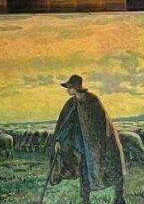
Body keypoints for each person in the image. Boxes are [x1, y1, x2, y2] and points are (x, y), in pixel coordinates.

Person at [47, 75, 126, 204]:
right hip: (81, 144)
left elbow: (101, 121)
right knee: (84, 170)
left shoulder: (92, 100)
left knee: (111, 165)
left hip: (99, 142)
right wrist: (58, 140)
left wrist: (97, 142)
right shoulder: (71, 103)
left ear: (76, 88)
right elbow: (64, 124)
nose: (68, 89)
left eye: (70, 87)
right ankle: (85, 200)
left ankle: (119, 196)